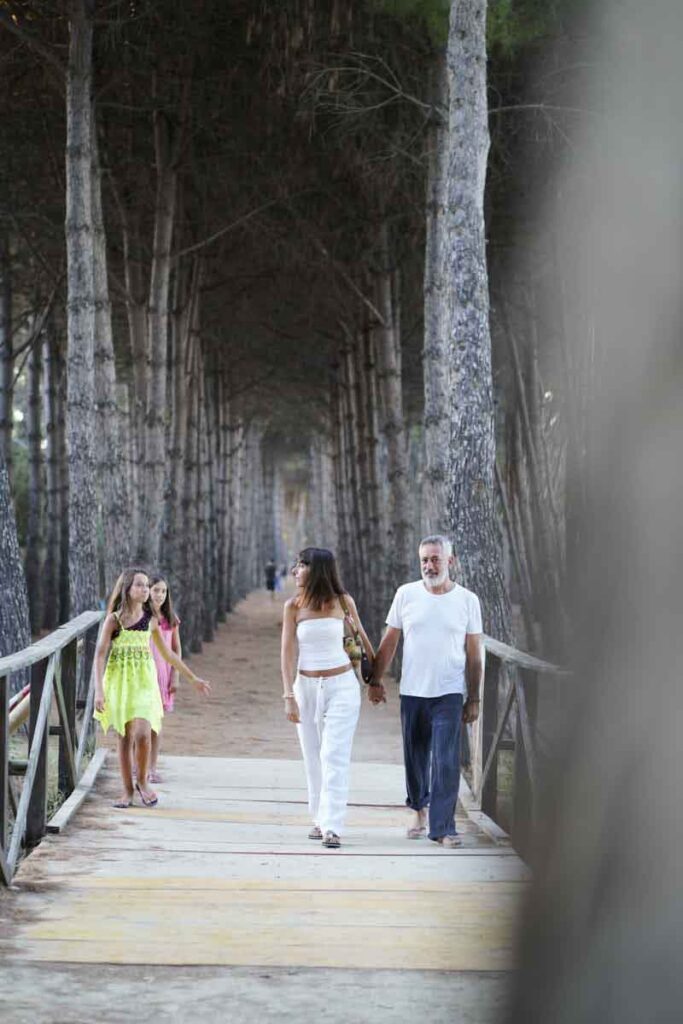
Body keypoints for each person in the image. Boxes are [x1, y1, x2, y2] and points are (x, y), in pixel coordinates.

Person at [371, 536, 483, 848]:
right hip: (413, 690)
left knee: (446, 761)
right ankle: (418, 808)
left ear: (451, 561)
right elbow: (390, 640)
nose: (429, 566)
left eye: (435, 559)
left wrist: (473, 697)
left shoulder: (467, 600)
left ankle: (443, 828)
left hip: (448, 691)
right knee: (415, 758)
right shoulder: (405, 594)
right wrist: (375, 680)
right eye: (424, 560)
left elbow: (474, 653)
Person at [280, 546, 380, 848]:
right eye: (296, 566)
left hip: (341, 686)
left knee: (333, 754)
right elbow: (287, 653)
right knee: (312, 755)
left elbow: (362, 639)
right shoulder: (293, 606)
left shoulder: (343, 602)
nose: (296, 571)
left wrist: (375, 680)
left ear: (318, 569)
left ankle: (333, 826)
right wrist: (288, 695)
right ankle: (318, 817)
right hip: (306, 687)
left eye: (301, 565)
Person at [94, 567, 211, 808]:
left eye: (147, 585)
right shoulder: (114, 620)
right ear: (127, 589)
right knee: (124, 737)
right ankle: (127, 791)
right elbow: (99, 655)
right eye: (140, 585)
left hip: (146, 683)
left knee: (143, 734)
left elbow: (168, 653)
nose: (145, 590)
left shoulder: (152, 621)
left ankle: (143, 781)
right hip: (120, 683)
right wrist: (99, 690)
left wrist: (192, 678)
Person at [147, 573, 182, 783]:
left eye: (163, 591)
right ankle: (136, 764)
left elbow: (176, 649)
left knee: (155, 724)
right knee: (138, 723)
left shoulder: (171, 619)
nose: (159, 595)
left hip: (162, 675)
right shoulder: (141, 618)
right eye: (156, 590)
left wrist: (175, 675)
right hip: (143, 675)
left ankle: (152, 767)